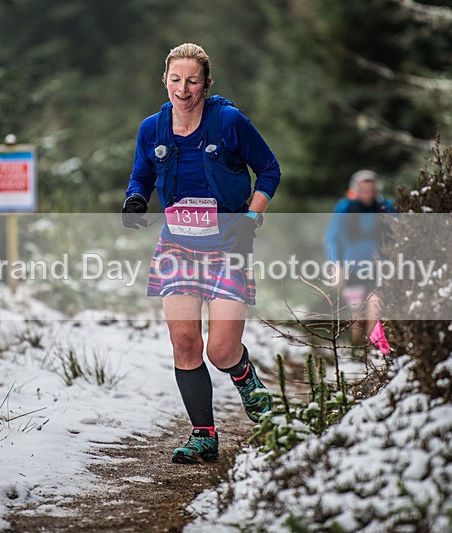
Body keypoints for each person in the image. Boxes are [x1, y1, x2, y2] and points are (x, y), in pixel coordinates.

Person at [121, 43, 281, 464]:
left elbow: (269, 169)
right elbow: (141, 174)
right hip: (177, 243)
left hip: (230, 242)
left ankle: (247, 380)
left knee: (221, 351)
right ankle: (203, 434)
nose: (184, 88)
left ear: (207, 83)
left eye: (193, 80)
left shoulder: (228, 121)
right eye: (176, 79)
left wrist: (251, 218)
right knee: (185, 342)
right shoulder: (152, 128)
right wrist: (136, 200)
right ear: (165, 81)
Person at [325, 170, 396, 347]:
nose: (367, 194)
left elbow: (399, 232)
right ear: (356, 190)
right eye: (363, 189)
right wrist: (336, 265)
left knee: (375, 306)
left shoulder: (386, 207)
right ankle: (356, 350)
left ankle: (370, 348)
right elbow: (333, 238)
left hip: (378, 268)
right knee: (357, 314)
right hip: (352, 269)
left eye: (371, 190)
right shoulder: (345, 208)